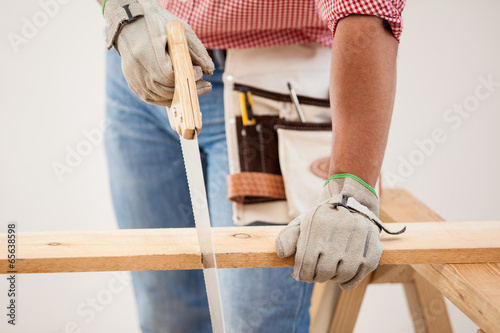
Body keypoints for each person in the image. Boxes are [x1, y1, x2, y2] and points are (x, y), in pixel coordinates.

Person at [99, 0, 405, 331]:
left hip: (274, 78)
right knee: (169, 315)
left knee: (257, 324)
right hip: (146, 53)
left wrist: (351, 188)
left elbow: (367, 10)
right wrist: (123, 10)